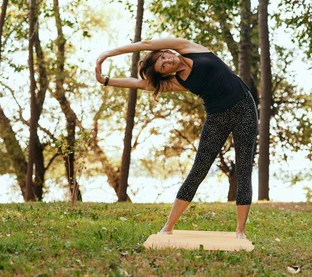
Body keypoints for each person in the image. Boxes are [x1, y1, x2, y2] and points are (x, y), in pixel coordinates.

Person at [95, 37, 258, 239]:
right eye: (163, 66)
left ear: (168, 51)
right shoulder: (178, 81)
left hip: (244, 107)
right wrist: (108, 81)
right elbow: (141, 84)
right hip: (217, 117)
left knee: (244, 169)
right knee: (198, 170)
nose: (167, 62)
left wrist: (108, 53)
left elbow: (144, 45)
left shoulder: (189, 48)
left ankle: (240, 232)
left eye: (164, 57)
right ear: (166, 73)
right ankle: (168, 227)